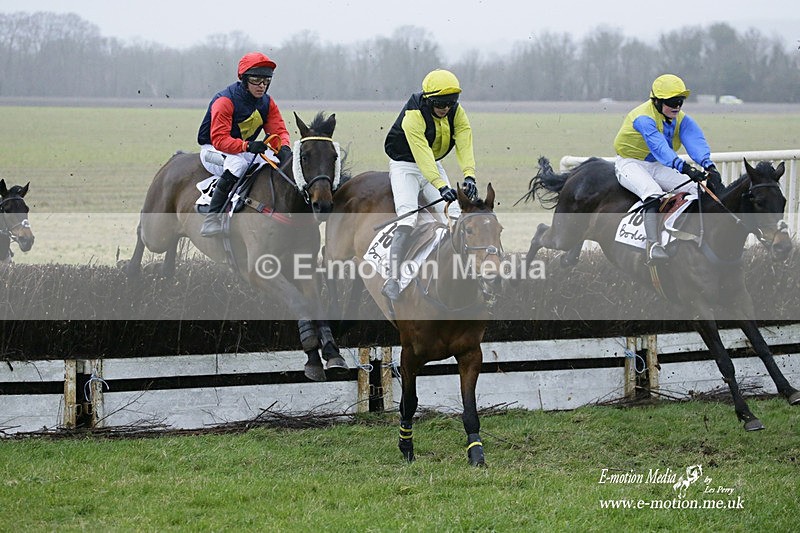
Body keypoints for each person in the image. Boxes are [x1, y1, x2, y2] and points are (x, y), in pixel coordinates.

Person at [381, 68, 479, 300]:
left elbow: (464, 139)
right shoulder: (413, 114)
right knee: (408, 217)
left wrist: (469, 176)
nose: (445, 109)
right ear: (429, 99)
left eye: (450, 104)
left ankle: (465, 272)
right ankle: (393, 279)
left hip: (433, 163)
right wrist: (440, 185)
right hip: (406, 165)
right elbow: (421, 152)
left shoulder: (456, 111)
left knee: (455, 214)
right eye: (440, 104)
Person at [613, 73, 722, 263]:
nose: (677, 106)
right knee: (653, 193)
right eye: (672, 101)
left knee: (697, 189)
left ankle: (690, 234)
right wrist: (685, 167)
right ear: (656, 101)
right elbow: (660, 147)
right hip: (630, 162)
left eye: (680, 101)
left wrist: (708, 165)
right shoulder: (643, 118)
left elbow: (694, 140)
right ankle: (653, 246)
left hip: (657, 165)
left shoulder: (680, 118)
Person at [197, 51, 293, 237]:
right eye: (257, 80)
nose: (262, 86)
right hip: (213, 149)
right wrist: (247, 146)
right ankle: (212, 218)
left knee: (274, 162)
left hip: (241, 148)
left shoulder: (267, 102)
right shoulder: (225, 101)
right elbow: (219, 139)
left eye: (266, 81)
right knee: (238, 164)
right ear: (244, 79)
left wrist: (284, 148)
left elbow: (278, 131)